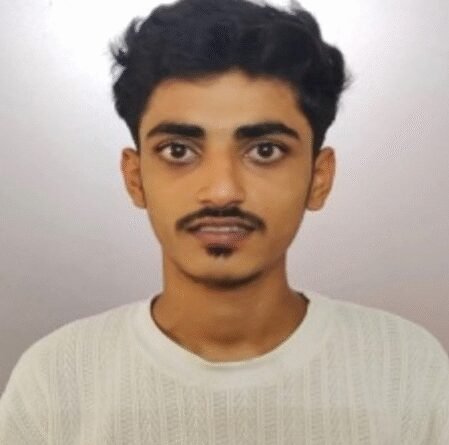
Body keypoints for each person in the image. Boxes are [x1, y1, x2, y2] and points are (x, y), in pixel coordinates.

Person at [1, 0, 448, 443]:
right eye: (178, 151)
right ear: (135, 178)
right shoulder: (54, 382)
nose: (221, 191)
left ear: (319, 178)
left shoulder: (408, 370)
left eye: (265, 151)